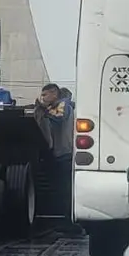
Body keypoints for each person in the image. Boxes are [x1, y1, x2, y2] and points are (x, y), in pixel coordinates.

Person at [34, 83, 79, 233]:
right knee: (61, 189)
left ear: (54, 94)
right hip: (59, 154)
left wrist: (44, 109)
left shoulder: (62, 106)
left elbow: (59, 119)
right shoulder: (56, 107)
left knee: (65, 189)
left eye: (45, 95)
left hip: (64, 154)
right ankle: (67, 222)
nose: (43, 98)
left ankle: (70, 223)